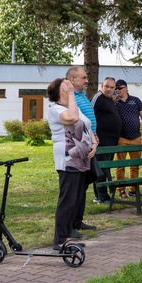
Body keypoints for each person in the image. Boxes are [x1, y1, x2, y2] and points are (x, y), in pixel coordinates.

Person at [47, 78, 96, 250]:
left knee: (75, 199)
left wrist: (94, 143)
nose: (69, 86)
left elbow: (87, 124)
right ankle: (59, 239)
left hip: (80, 159)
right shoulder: (56, 109)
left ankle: (67, 235)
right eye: (65, 85)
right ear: (57, 92)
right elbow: (74, 119)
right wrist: (70, 94)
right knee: (67, 200)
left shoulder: (72, 107)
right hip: (67, 159)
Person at [66, 66, 99, 230]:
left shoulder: (82, 96)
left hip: (89, 145)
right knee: (74, 188)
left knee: (82, 186)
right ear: (72, 79)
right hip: (76, 147)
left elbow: (87, 120)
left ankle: (78, 221)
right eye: (83, 78)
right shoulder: (68, 97)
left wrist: (94, 137)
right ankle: (70, 225)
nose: (87, 80)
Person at [113, 79, 142, 199]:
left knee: (135, 165)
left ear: (126, 88)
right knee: (120, 165)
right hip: (121, 138)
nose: (117, 90)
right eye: (116, 88)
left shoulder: (136, 101)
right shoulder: (114, 103)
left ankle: (133, 189)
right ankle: (121, 190)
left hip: (136, 137)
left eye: (120, 88)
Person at [92, 77, 122, 204]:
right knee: (101, 169)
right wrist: (94, 135)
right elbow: (89, 115)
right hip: (101, 141)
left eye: (112, 87)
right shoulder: (98, 97)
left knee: (105, 169)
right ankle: (102, 196)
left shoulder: (111, 100)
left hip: (111, 141)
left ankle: (99, 195)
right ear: (102, 86)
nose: (109, 89)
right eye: (107, 87)